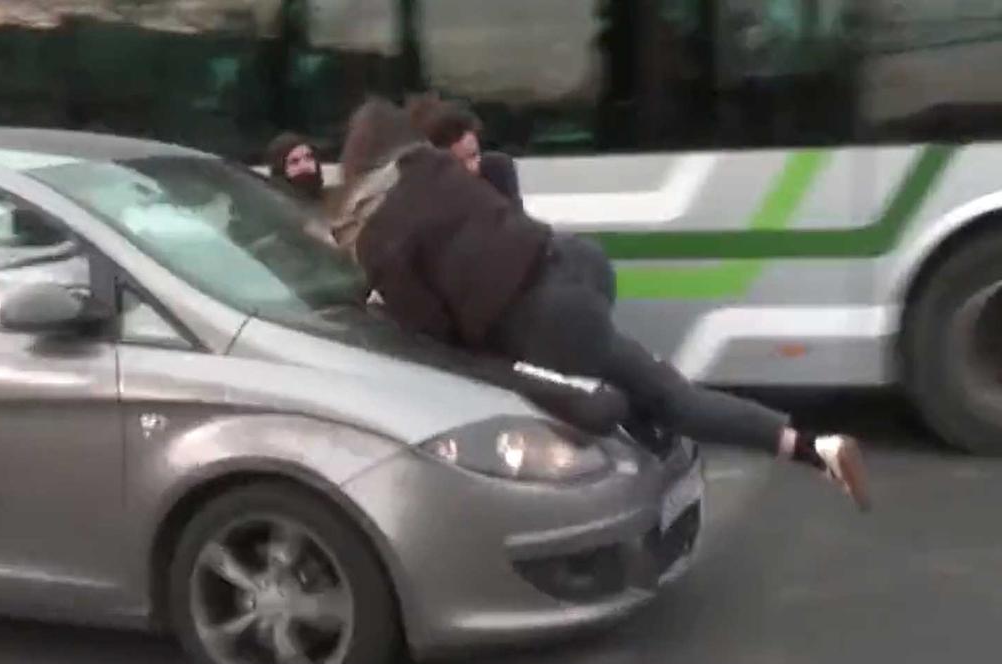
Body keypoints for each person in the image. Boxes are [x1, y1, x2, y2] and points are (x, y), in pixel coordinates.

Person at [333, 97, 871, 511]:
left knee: (641, 404)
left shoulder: (379, 234)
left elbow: (430, 327)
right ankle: (806, 445)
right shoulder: (440, 171)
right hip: (573, 267)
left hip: (542, 322)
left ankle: (715, 459)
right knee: (656, 389)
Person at [406, 94, 524, 208]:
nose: (473, 167)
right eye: (459, 162)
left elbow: (517, 223)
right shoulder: (417, 195)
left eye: (474, 155)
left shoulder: (496, 171)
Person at [265, 131, 326, 204]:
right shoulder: (276, 202)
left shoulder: (323, 201)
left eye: (308, 157)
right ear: (281, 170)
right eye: (294, 162)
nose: (305, 165)